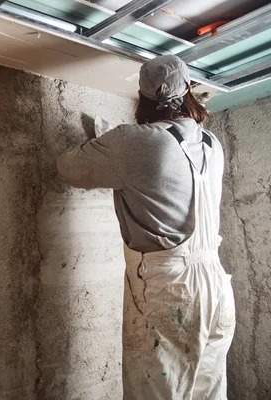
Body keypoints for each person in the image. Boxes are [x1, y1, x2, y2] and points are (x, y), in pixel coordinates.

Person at [56, 55, 236, 400]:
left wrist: (110, 147)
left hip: (171, 291)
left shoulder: (135, 141)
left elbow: (69, 168)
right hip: (216, 288)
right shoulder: (213, 145)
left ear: (143, 97)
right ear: (188, 90)